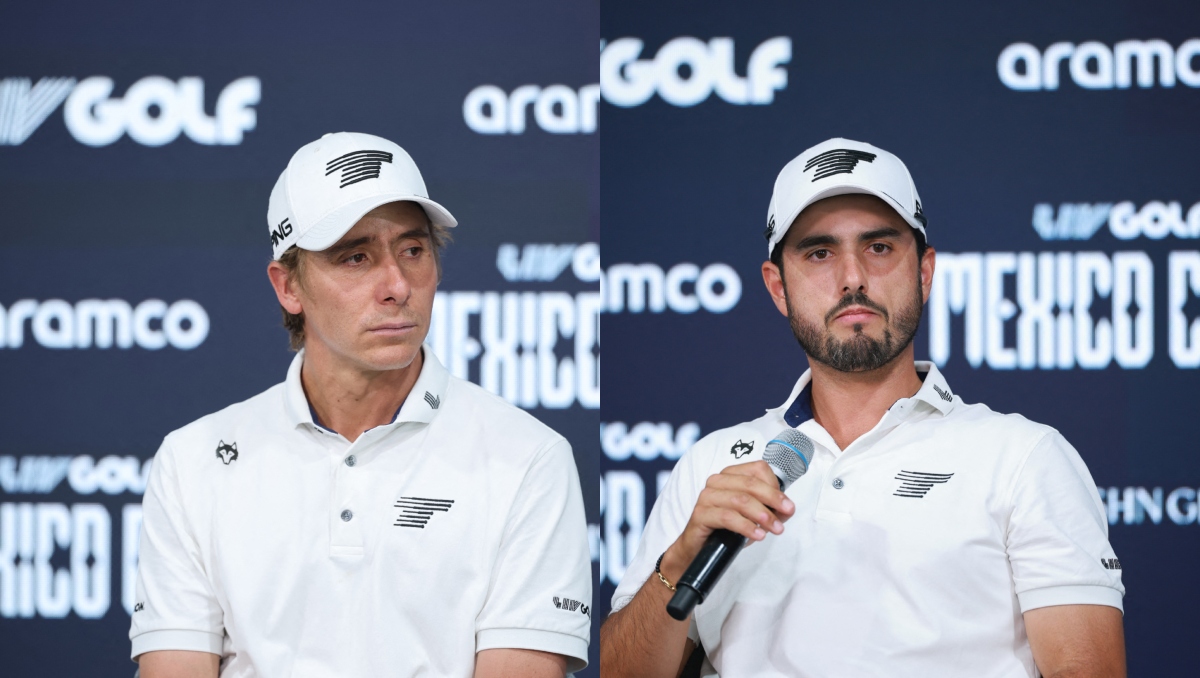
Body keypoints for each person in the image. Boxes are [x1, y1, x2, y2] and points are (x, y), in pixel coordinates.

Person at [600, 138, 1125, 678]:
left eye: (878, 247)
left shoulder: (1023, 458)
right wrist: (679, 562)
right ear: (778, 288)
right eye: (819, 253)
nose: (852, 278)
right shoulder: (712, 468)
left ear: (923, 271)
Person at [130, 132, 591, 678]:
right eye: (356, 257)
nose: (397, 285)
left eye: (413, 251)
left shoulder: (528, 458)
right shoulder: (193, 461)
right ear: (288, 287)